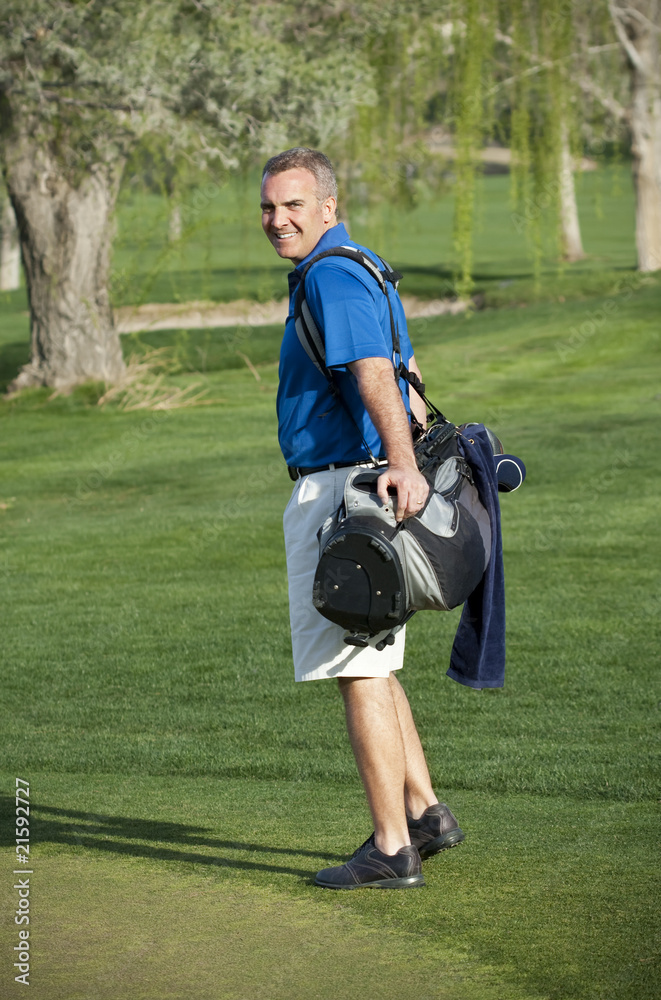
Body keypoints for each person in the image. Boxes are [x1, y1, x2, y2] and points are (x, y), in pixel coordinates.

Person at [261, 147, 464, 890]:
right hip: (362, 480)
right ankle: (425, 812)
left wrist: (400, 462)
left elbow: (375, 371)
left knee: (357, 669)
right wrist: (400, 454)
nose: (277, 219)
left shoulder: (331, 274)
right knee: (374, 657)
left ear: (326, 207)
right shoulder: (360, 263)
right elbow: (407, 375)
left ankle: (390, 849)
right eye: (267, 207)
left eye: (292, 205)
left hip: (344, 490)